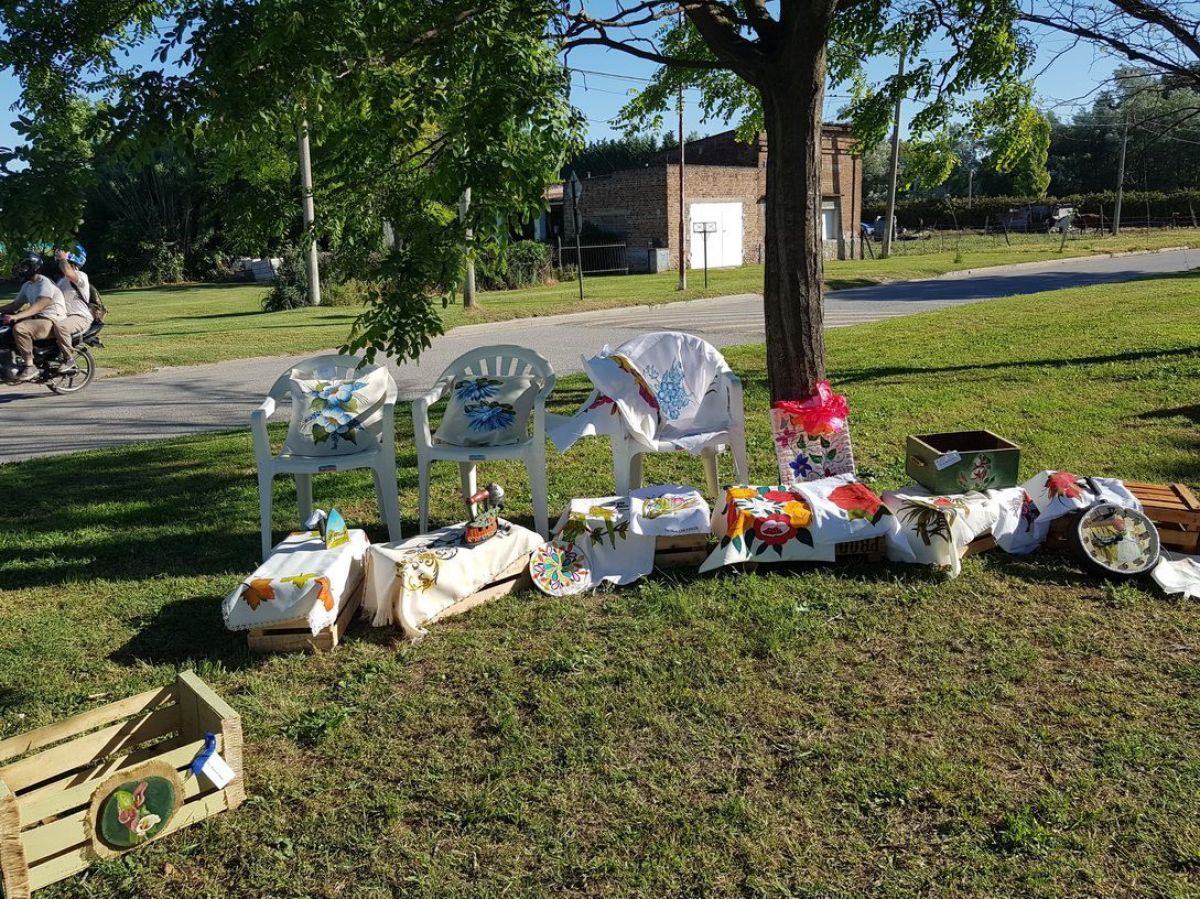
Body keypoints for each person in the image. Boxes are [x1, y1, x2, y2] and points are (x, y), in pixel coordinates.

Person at [0, 253, 68, 381]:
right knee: (6, 326)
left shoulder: (44, 283)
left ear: (33, 267)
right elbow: (15, 304)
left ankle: (30, 366)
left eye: (24, 267)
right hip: (39, 318)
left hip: (52, 319)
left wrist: (16, 316)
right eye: (20, 267)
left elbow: (39, 307)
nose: (21, 270)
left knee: (20, 328)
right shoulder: (28, 285)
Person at [53, 247, 92, 371]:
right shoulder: (61, 281)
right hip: (64, 316)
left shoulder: (81, 276)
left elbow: (69, 273)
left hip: (80, 317)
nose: (60, 265)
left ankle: (69, 360)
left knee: (61, 327)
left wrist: (63, 258)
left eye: (63, 262)